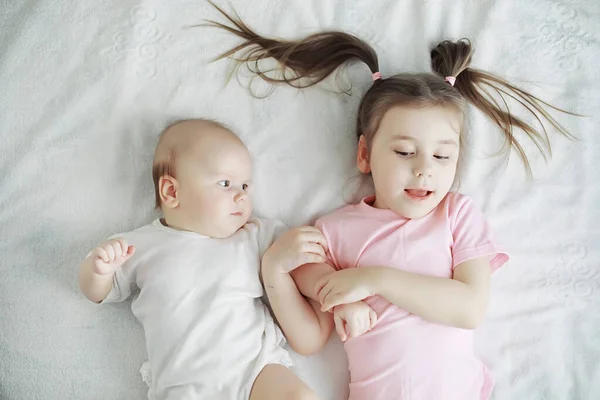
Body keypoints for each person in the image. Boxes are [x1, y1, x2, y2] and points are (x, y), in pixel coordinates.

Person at [208, 4, 574, 399]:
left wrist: (372, 278)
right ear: (365, 155)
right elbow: (309, 338)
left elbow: (469, 308)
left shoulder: (455, 215)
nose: (424, 170)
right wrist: (279, 271)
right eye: (404, 153)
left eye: (441, 156)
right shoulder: (333, 231)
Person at [78, 119, 326, 400]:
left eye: (245, 185)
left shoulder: (253, 234)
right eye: (225, 183)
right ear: (172, 192)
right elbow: (96, 292)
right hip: (184, 385)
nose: (241, 196)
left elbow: (301, 263)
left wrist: (329, 286)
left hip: (254, 369)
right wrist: (98, 271)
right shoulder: (141, 245)